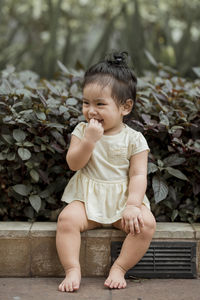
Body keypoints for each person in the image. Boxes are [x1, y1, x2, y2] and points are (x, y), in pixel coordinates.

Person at [56, 51, 156, 292]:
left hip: (123, 201)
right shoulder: (82, 130)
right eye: (86, 103)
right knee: (67, 219)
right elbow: (74, 164)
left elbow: (138, 175)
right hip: (87, 197)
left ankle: (120, 268)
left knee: (147, 224)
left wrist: (133, 204)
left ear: (125, 106)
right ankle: (72, 269)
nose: (91, 111)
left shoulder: (134, 139)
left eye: (100, 104)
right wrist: (89, 141)